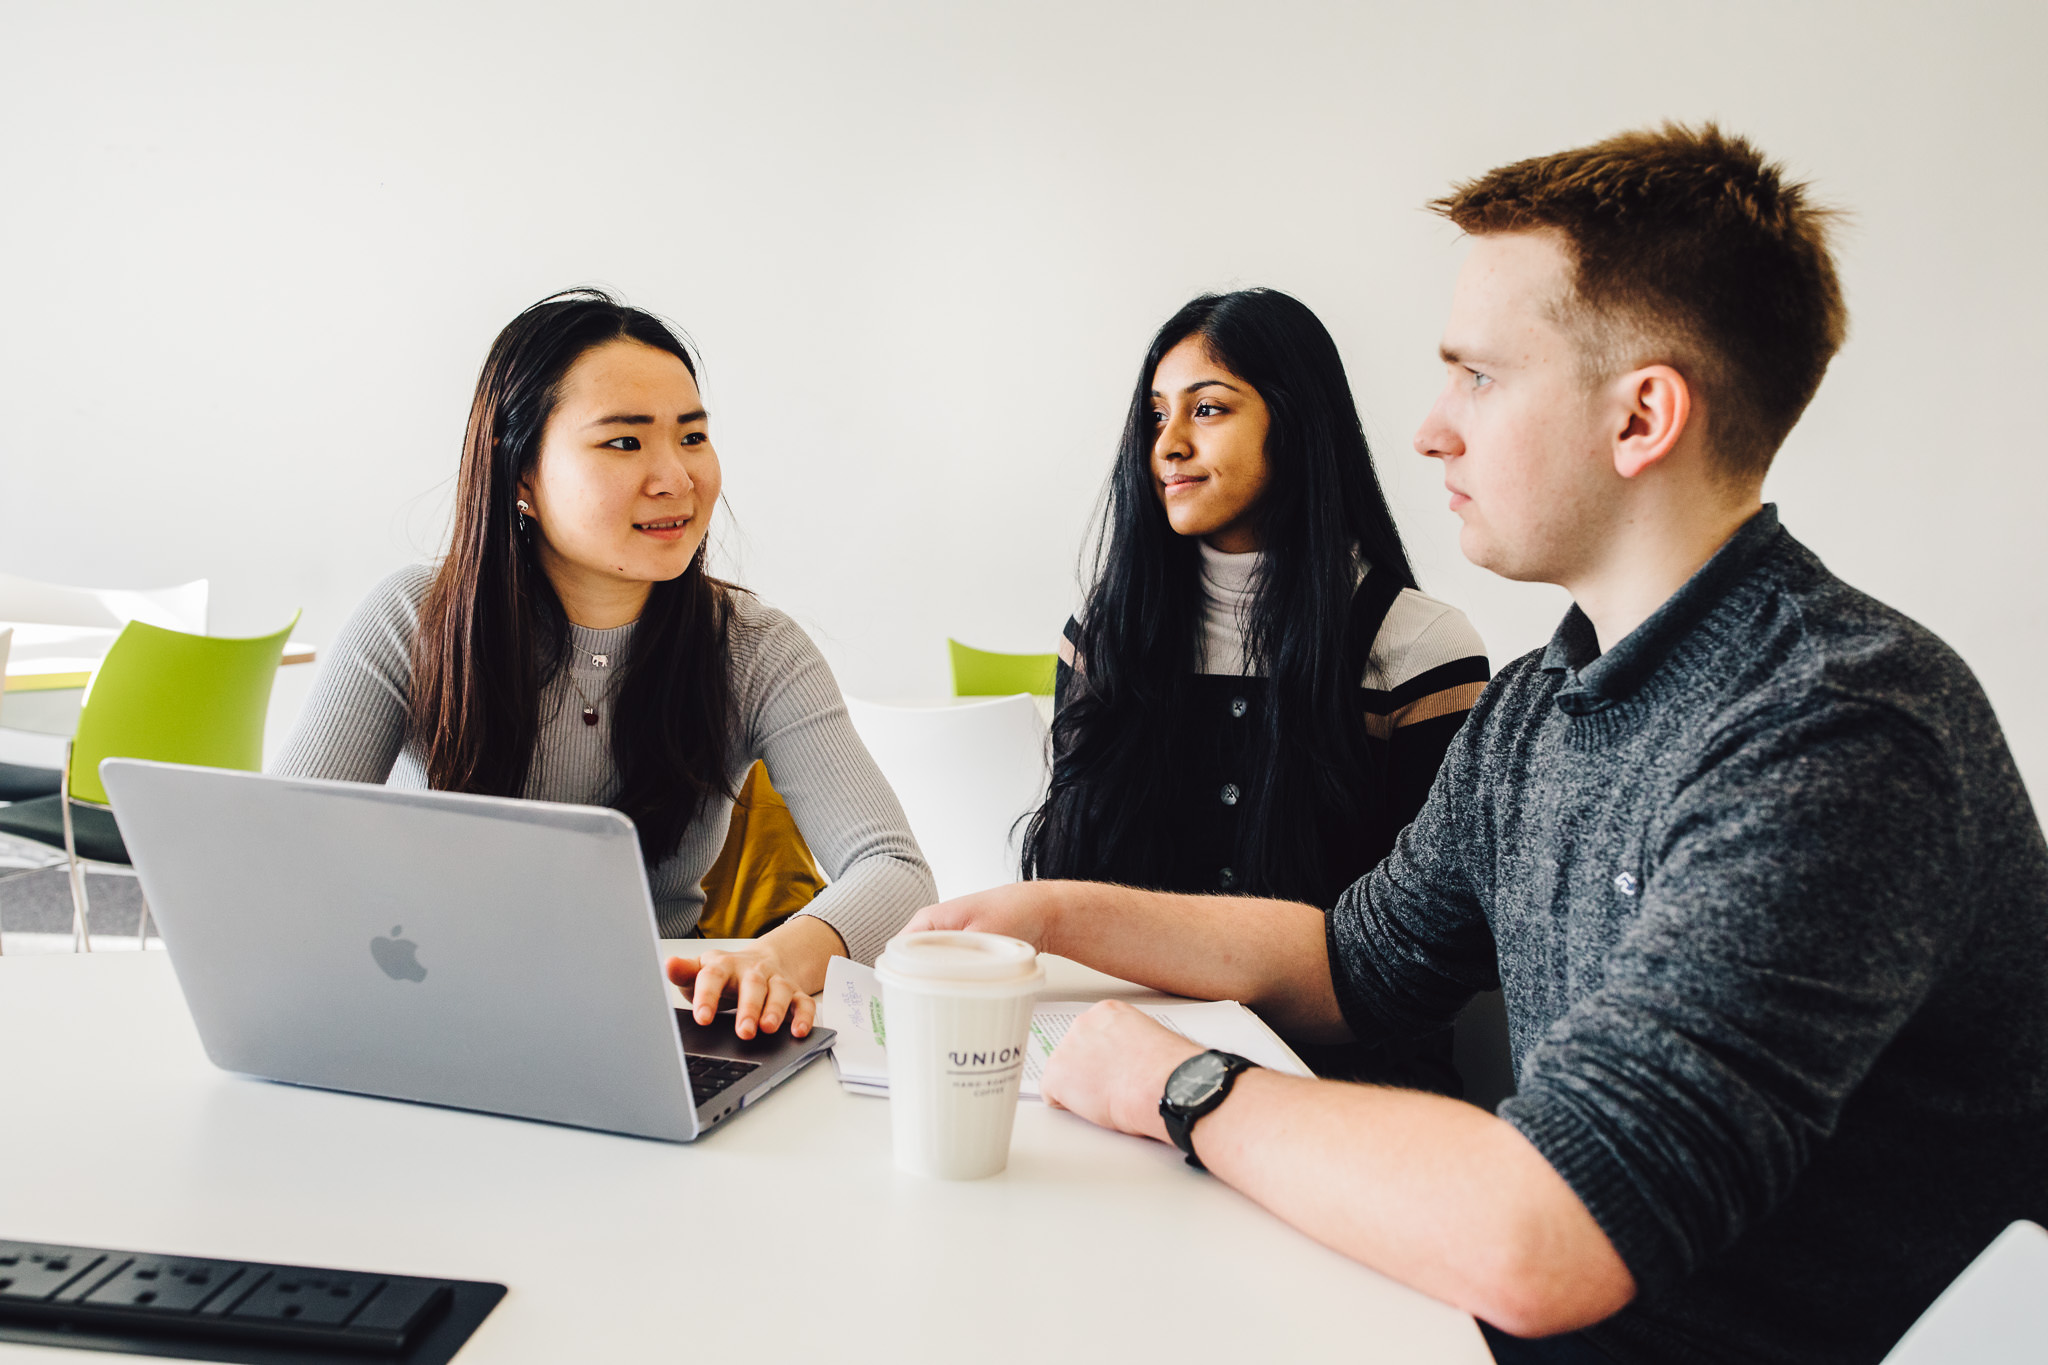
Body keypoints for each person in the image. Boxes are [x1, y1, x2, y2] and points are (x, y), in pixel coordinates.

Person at [908, 124, 2048, 1364]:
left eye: (1479, 377)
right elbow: (1347, 963)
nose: (1430, 430)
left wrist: (1178, 1087)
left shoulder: (1836, 732)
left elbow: (1545, 1232)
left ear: (1640, 417)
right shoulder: (1535, 708)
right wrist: (1053, 914)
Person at [277, 290, 934, 1040]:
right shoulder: (414, 620)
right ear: (521, 474)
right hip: (425, 1011)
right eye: (624, 443)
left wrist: (776, 957)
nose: (675, 478)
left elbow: (894, 870)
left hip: (651, 1025)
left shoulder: (756, 649)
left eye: (692, 437)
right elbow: (277, 852)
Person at [1024, 288, 1487, 1089]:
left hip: (1338, 1090)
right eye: (1155, 415)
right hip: (1128, 1065)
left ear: (1297, 422)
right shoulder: (1104, 639)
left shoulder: (1419, 649)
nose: (1167, 444)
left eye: (1208, 410)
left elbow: (1425, 962)